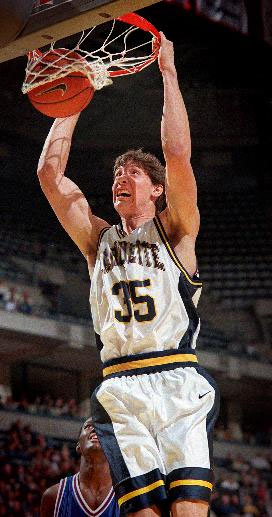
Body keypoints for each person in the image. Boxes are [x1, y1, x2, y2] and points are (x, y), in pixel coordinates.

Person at [37, 32, 220, 517]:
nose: (121, 176)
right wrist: (72, 98)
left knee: (187, 512)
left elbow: (178, 154)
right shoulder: (99, 241)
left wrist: (168, 73)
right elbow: (50, 179)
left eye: (134, 172)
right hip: (120, 384)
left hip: (176, 377)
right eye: (117, 172)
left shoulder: (177, 231)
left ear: (157, 189)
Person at [40, 417, 120, 517]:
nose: (96, 429)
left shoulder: (129, 498)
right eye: (89, 426)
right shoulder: (54, 496)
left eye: (104, 428)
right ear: (78, 445)